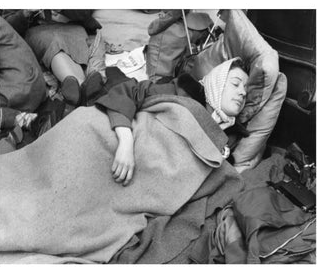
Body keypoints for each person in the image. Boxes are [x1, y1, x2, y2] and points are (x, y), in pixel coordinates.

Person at [94, 57, 249, 186]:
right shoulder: (180, 92)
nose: (242, 92)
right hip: (124, 142)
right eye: (236, 84)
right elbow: (129, 92)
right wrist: (126, 141)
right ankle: (98, 82)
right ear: (217, 83)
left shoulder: (230, 139)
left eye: (246, 90)